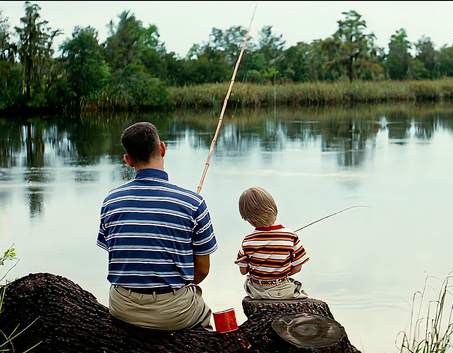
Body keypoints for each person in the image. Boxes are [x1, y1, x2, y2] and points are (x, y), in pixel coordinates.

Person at [96, 122, 218, 330]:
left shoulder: (110, 201)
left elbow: (120, 254)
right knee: (205, 315)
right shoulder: (193, 203)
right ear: (162, 148)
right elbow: (203, 270)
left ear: (128, 160)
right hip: (173, 311)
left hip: (122, 308)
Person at [235, 187, 309, 300]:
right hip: (282, 289)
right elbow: (298, 267)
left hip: (256, 291)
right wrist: (282, 274)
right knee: (299, 289)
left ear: (246, 217)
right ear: (274, 209)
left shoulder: (247, 241)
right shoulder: (290, 236)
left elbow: (243, 271)